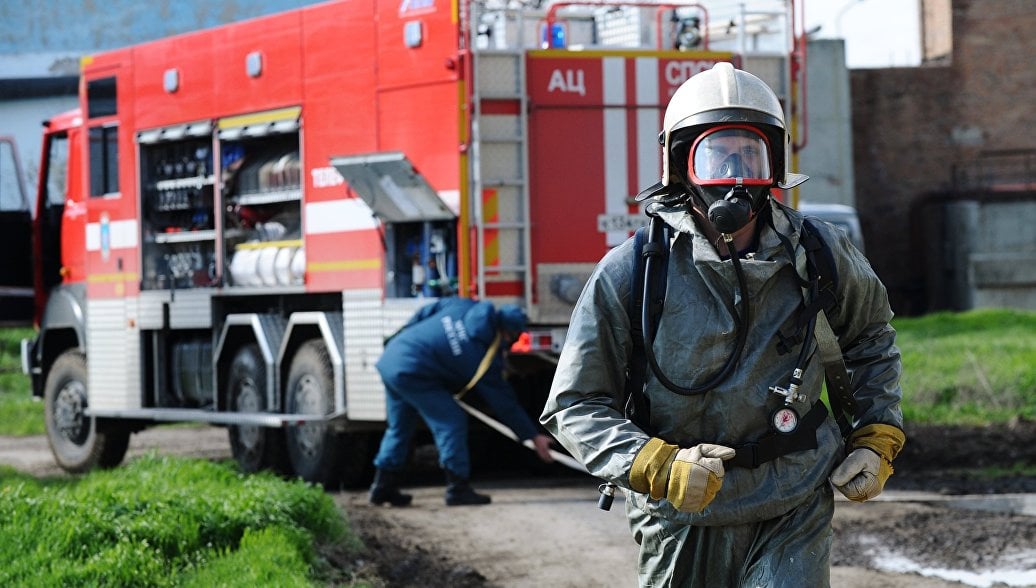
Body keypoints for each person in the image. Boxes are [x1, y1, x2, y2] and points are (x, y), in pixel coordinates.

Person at [540, 62, 906, 586]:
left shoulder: (821, 253)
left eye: (748, 155)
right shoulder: (633, 271)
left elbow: (870, 339)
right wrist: (655, 466)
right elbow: (575, 404)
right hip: (680, 512)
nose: (734, 175)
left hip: (793, 497)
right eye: (716, 155)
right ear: (679, 164)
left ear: (773, 165)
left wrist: (876, 435)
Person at [370, 297, 554, 507]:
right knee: (451, 421)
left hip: (393, 356)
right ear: (507, 333)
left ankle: (382, 487)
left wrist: (405, 334)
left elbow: (428, 310)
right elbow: (505, 404)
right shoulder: (482, 357)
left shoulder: (464, 305)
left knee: (399, 428)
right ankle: (457, 488)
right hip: (412, 372)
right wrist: (532, 435)